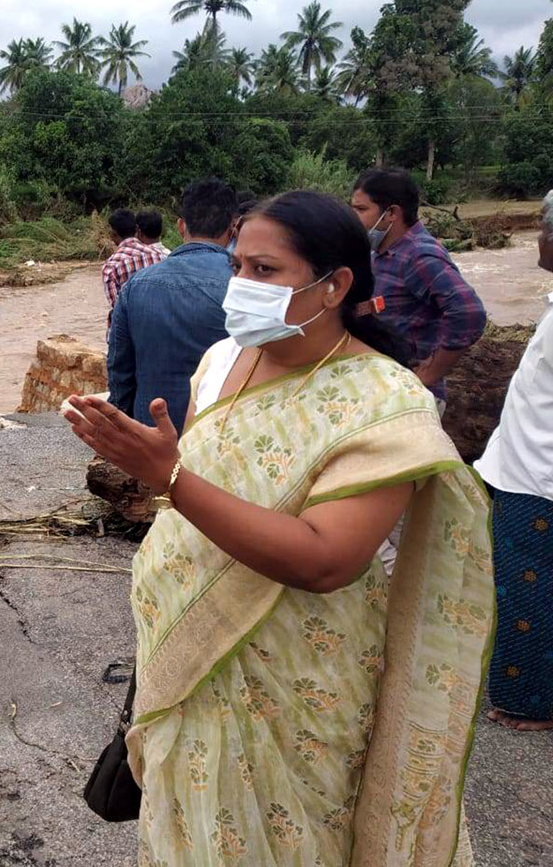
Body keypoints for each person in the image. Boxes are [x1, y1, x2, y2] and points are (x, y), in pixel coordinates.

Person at [66, 190, 490, 867]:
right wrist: (157, 472)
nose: (241, 287)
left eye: (265, 272)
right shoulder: (222, 362)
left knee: (292, 836)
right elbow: (209, 493)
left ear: (335, 286)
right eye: (238, 267)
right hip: (187, 651)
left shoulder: (385, 401)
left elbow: (328, 560)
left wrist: (169, 476)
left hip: (296, 678)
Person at [476, 189, 553, 732]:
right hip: (523, 462)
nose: (542, 237)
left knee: (530, 586)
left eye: (547, 227)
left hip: (539, 474)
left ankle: (531, 701)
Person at [350, 168, 487, 408]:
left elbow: (468, 312)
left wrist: (431, 373)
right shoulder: (379, 252)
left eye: (361, 209)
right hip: (385, 384)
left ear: (391, 213)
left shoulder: (419, 255)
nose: (353, 218)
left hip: (412, 395)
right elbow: (384, 302)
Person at [109, 178, 236, 433]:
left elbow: (119, 372)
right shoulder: (243, 285)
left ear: (180, 226)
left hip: (154, 439)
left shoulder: (135, 286)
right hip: (220, 440)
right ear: (233, 228)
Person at [102, 209, 159, 323]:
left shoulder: (110, 267)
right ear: (137, 229)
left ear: (113, 234)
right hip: (159, 324)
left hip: (132, 329)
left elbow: (118, 308)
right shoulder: (157, 255)